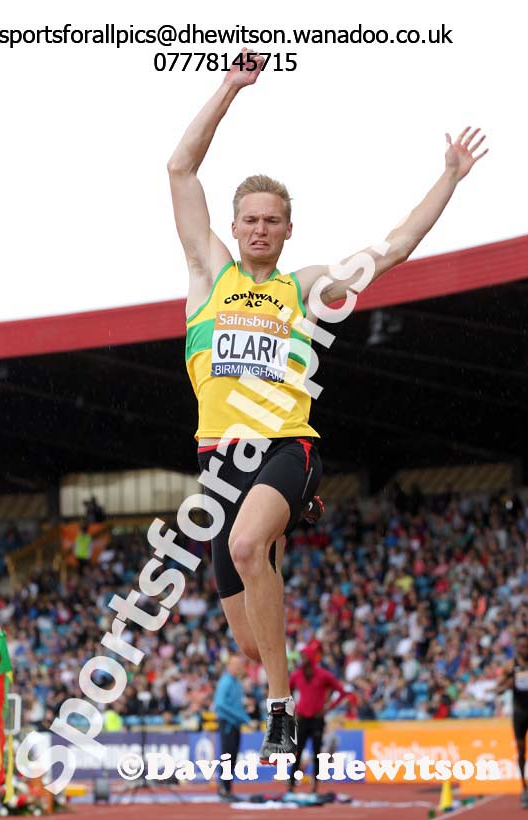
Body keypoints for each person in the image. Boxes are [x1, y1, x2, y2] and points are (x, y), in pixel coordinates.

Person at [167, 47, 488, 764]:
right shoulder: (205, 277)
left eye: (271, 220)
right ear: (235, 223)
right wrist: (228, 90)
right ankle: (274, 663)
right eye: (248, 218)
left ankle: (279, 712)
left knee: (248, 547)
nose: (257, 228)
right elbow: (180, 170)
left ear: (286, 230)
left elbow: (396, 246)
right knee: (251, 641)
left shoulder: (302, 289)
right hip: (220, 467)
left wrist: (449, 177)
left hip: (287, 447)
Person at [288, 645, 349, 792]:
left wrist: (329, 707)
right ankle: (291, 784)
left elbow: (341, 691)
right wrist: (293, 708)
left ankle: (315, 784)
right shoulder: (296, 675)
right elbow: (287, 691)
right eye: (301, 657)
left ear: (310, 658)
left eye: (304, 657)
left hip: (317, 719)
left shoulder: (323, 675)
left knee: (317, 753)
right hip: (302, 718)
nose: (301, 660)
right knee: (298, 751)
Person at [213, 654, 253, 800]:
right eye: (235, 664)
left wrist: (247, 719)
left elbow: (238, 705)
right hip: (228, 724)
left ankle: (227, 788)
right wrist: (244, 718)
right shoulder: (226, 682)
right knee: (227, 756)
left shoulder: (237, 683)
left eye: (239, 664)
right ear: (229, 665)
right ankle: (224, 788)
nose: (238, 667)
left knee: (232, 757)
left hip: (235, 724)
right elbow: (220, 704)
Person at [497, 634, 528, 808]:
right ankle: (524, 789)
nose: (524, 650)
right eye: (521, 647)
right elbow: (498, 687)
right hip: (520, 714)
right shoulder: (511, 666)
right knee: (521, 752)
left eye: (526, 647)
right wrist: (506, 685)